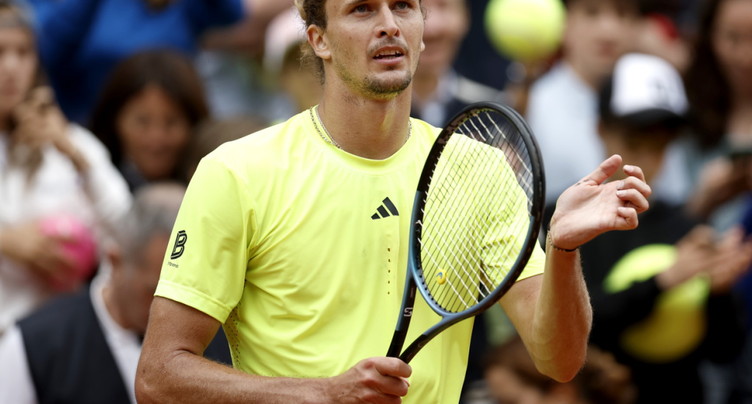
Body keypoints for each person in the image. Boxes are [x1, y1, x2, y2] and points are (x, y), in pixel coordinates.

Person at [135, 1, 652, 402]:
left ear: (423, 30)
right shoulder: (236, 172)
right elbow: (158, 376)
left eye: (403, 6)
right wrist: (322, 394)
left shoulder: (482, 169)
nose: (389, 25)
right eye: (362, 9)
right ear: (319, 40)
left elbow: (560, 360)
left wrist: (562, 251)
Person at [580, 53, 752, 404]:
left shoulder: (688, 227)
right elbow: (575, 326)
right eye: (634, 140)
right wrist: (663, 282)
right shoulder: (567, 223)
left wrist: (718, 294)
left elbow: (723, 351)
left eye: (660, 144)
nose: (646, 157)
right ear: (600, 129)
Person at [0, 183, 231, 404]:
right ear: (115, 262)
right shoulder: (34, 343)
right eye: (155, 293)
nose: (172, 309)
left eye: (188, 294)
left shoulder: (222, 331)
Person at [0, 0, 131, 334]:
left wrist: (74, 156)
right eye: (0, 52)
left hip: (57, 338)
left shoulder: (73, 144)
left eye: (23, 52)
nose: (11, 67)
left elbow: (128, 231)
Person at [24, 0, 294, 124]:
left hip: (170, 135)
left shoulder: (183, 7)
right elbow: (46, 52)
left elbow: (233, 14)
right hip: (87, 127)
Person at [88, 50, 210, 192]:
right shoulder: (86, 182)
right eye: (142, 122)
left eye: (171, 123)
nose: (156, 137)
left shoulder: (211, 184)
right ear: (114, 120)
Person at [410, 0, 504, 127]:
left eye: (443, 6)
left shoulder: (493, 111)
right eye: (418, 8)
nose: (432, 28)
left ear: (465, 17)